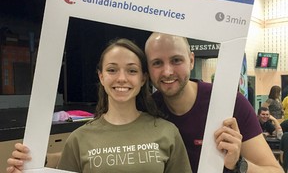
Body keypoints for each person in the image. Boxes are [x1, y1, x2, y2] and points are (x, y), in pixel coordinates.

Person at [6, 38, 192, 173]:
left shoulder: (167, 132)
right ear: (101, 76)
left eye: (132, 70)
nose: (121, 78)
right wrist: (30, 166)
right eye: (112, 70)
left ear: (143, 78)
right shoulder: (79, 139)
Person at [144, 32, 284, 173]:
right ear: (148, 69)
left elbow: (275, 171)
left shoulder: (232, 104)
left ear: (191, 60)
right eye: (157, 63)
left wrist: (238, 163)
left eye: (176, 60)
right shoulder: (146, 110)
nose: (167, 71)